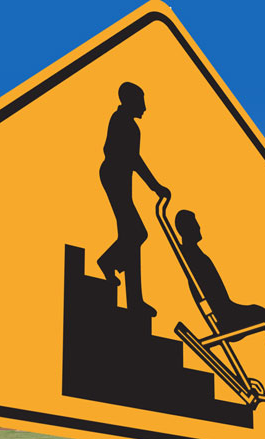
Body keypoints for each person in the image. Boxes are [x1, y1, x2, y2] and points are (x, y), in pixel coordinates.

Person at [174, 209, 265, 382]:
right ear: (187, 229)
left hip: (227, 310)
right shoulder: (192, 255)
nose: (199, 227)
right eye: (194, 224)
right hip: (227, 318)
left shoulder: (192, 254)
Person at [97, 82, 170, 317]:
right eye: (141, 101)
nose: (145, 107)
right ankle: (108, 262)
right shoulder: (122, 122)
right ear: (130, 101)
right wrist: (156, 186)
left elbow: (131, 160)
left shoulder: (127, 124)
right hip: (113, 178)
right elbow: (131, 159)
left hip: (118, 178)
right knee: (136, 234)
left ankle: (134, 301)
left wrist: (154, 186)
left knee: (130, 236)